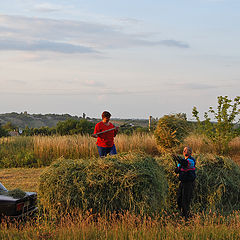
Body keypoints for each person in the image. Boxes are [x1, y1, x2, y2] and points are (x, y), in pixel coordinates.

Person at [175, 146, 196, 220]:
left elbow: (184, 163)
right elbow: (177, 169)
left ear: (190, 152)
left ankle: (186, 217)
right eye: (183, 150)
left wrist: (177, 158)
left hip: (188, 183)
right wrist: (177, 169)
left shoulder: (191, 160)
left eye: (186, 150)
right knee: (179, 199)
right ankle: (181, 214)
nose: (184, 152)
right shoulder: (183, 161)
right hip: (182, 182)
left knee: (185, 200)